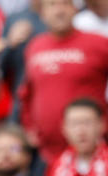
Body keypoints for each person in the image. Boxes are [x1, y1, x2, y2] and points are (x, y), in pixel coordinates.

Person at [19, 0, 108, 165]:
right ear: (42, 13)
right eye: (52, 5)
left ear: (75, 9)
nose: (59, 11)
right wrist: (28, 127)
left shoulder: (99, 44)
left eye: (65, 3)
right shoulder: (35, 46)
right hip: (46, 155)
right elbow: (26, 92)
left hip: (92, 152)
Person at [43, 98, 108, 176]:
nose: (81, 131)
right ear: (64, 128)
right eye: (74, 124)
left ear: (102, 125)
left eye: (87, 123)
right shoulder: (57, 165)